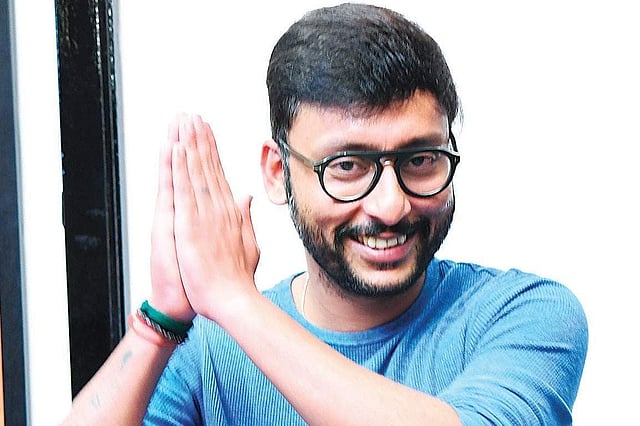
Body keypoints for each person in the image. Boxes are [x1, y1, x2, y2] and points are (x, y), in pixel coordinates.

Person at [62, 3, 588, 425]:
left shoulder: (523, 314)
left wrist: (233, 300)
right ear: (278, 173)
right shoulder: (208, 353)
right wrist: (160, 323)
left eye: (420, 160)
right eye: (348, 166)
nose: (391, 205)